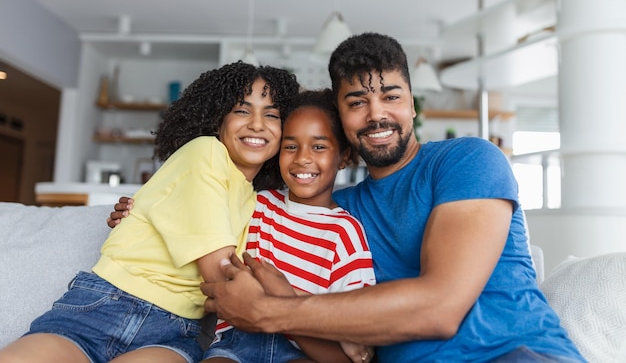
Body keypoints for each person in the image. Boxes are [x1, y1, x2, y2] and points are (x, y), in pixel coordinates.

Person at [200, 33, 587, 363]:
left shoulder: (468, 160)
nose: (376, 114)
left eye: (391, 96)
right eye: (356, 102)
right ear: (340, 118)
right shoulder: (336, 214)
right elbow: (223, 211)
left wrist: (269, 312)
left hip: (513, 354)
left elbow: (440, 308)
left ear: (412, 104)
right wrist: (141, 210)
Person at [0, 62, 300, 363]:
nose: (258, 124)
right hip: (101, 308)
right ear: (218, 119)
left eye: (271, 114)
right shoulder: (205, 152)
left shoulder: (253, 198)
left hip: (172, 332)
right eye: (242, 110)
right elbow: (221, 275)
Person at [109, 89, 377, 363]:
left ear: (344, 157)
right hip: (234, 345)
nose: (302, 158)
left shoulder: (345, 232)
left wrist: (286, 306)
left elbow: (351, 342)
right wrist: (134, 212)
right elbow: (191, 209)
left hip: (300, 351)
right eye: (290, 146)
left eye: (319, 146)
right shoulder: (255, 204)